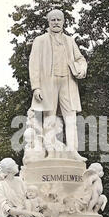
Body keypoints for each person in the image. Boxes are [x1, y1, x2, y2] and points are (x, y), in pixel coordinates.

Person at [29, 9, 87, 161]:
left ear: (63, 22)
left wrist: (81, 69)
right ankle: (51, 152)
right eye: (53, 20)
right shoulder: (40, 40)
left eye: (58, 20)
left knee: (71, 118)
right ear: (48, 22)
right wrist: (36, 86)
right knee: (50, 117)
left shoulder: (69, 40)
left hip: (68, 82)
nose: (56, 22)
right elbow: (33, 64)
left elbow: (80, 59)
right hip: (49, 82)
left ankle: (73, 151)